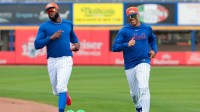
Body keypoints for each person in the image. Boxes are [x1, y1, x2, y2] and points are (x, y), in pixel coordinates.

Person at [34, 2, 80, 112]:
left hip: (66, 59)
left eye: (52, 10)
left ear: (58, 10)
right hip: (52, 61)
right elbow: (37, 45)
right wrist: (51, 37)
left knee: (61, 88)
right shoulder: (44, 27)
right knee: (56, 91)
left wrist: (76, 46)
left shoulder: (68, 24)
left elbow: (76, 42)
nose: (50, 13)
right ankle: (66, 96)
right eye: (48, 11)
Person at [112, 7, 157, 112]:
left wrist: (154, 50)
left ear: (138, 15)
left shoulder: (147, 28)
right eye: (129, 17)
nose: (131, 18)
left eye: (133, 16)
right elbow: (115, 47)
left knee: (144, 88)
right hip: (130, 65)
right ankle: (138, 107)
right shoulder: (124, 30)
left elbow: (152, 39)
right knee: (134, 94)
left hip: (144, 61)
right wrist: (126, 44)